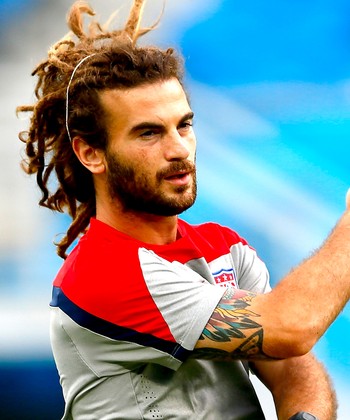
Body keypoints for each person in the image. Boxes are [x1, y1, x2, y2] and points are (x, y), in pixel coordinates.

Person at [17, 1, 350, 419]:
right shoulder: (103, 273)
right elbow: (291, 328)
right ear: (91, 153)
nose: (178, 150)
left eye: (184, 125)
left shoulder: (223, 247)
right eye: (149, 133)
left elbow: (292, 368)